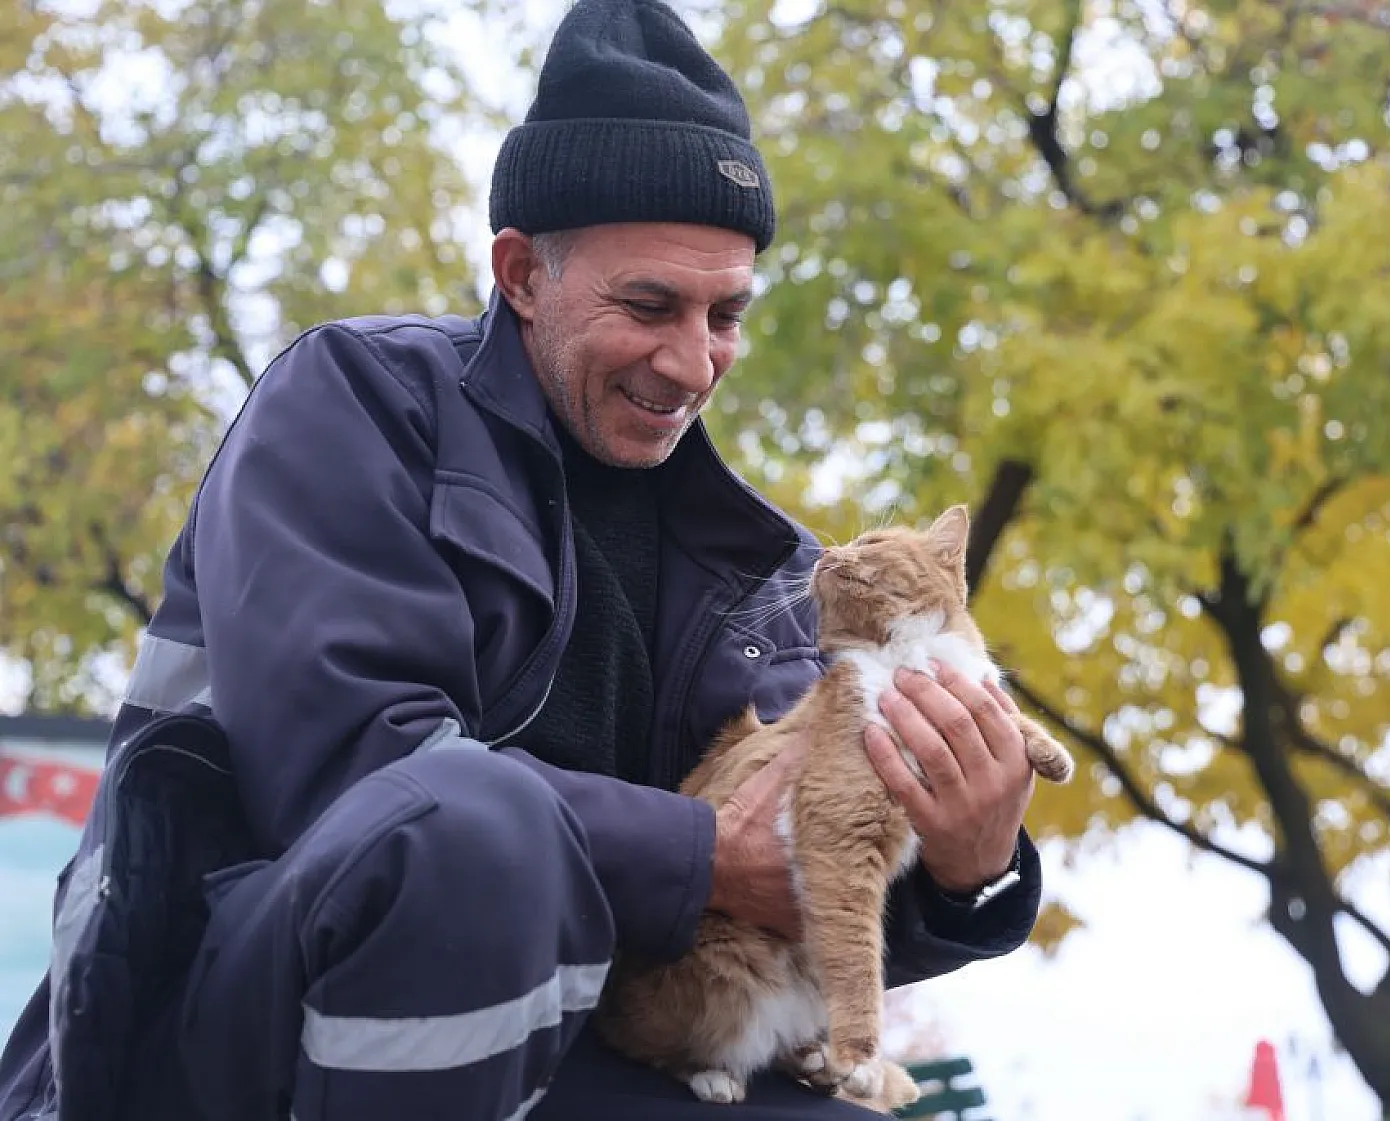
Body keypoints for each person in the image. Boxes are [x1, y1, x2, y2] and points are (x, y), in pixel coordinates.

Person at [0, 1, 1047, 1118]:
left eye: (726, 314)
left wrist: (964, 868)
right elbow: (356, 769)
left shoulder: (775, 570)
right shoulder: (350, 402)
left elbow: (795, 886)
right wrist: (696, 853)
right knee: (469, 823)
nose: (693, 361)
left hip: (593, 1041)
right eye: (649, 304)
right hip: (238, 1032)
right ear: (519, 273)